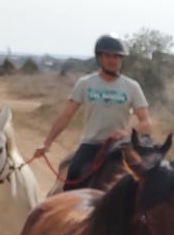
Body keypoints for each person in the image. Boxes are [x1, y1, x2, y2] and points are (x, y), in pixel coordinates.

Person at [33, 34, 154, 187]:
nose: (113, 60)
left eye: (117, 56)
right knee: (73, 176)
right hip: (92, 144)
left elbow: (147, 122)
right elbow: (66, 116)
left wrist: (127, 133)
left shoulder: (132, 86)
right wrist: (47, 143)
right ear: (99, 58)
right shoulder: (85, 83)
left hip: (120, 147)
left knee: (146, 182)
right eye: (108, 55)